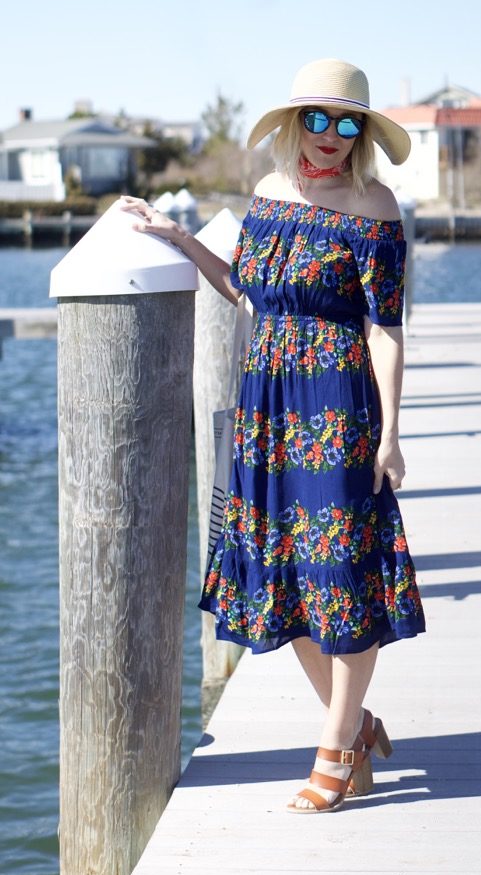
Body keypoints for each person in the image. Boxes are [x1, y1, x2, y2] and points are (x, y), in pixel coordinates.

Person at [122, 57, 426, 814]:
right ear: (295, 124)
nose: (328, 137)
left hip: (337, 408)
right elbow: (245, 290)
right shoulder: (266, 195)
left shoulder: (375, 207)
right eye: (316, 120)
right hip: (267, 408)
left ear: (362, 133)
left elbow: (385, 330)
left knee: (343, 577)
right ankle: (354, 725)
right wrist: (178, 237)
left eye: (346, 122)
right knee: (282, 578)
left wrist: (390, 433)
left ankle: (334, 748)